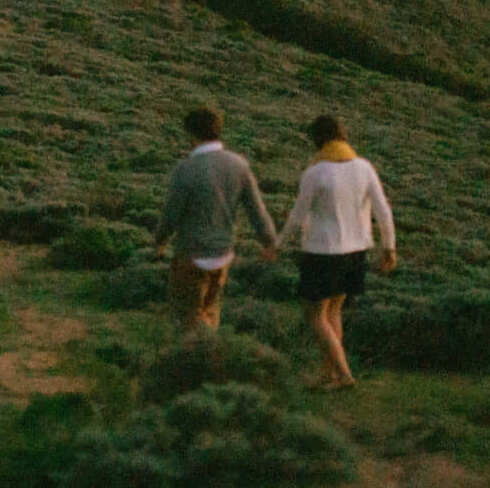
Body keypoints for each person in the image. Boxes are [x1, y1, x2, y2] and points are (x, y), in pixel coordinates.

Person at [271, 114, 396, 389]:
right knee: (333, 313)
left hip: (322, 251)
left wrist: (278, 244)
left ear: (317, 141)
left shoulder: (315, 173)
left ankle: (344, 374)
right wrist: (389, 247)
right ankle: (328, 375)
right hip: (355, 251)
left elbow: (297, 215)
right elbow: (383, 211)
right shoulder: (364, 167)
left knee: (315, 316)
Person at [152, 105, 278, 331]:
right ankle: (211, 354)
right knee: (210, 311)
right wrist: (269, 242)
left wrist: (160, 240)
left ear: (191, 134)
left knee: (187, 318)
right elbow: (257, 211)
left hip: (191, 254)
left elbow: (171, 215)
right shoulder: (239, 165)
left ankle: (194, 359)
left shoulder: (186, 169)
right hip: (223, 255)